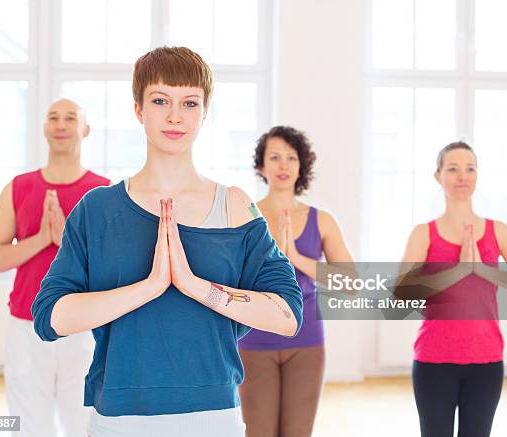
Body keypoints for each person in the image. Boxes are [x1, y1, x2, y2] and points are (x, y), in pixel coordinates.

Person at [31, 47, 304, 437]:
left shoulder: (235, 207)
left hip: (214, 417)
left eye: (189, 103)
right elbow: (49, 316)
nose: (176, 116)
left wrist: (195, 287)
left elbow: (287, 314)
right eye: (161, 101)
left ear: (204, 112)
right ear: (139, 110)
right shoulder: (97, 210)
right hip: (119, 419)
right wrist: (149, 287)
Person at [0, 98, 110, 437]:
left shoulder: (102, 192)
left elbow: (113, 271)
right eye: (53, 117)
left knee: (82, 423)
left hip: (83, 327)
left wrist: (66, 236)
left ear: (85, 129)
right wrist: (40, 239)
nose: (61, 124)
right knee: (27, 425)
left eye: (71, 118)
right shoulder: (19, 188)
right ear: (44, 128)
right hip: (26, 326)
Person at [396, 141, 507, 437]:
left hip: (486, 362)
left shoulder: (497, 231)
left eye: (469, 168)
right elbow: (401, 295)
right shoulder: (423, 234)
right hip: (434, 362)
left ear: (477, 176)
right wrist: (458, 270)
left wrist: (484, 270)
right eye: (453, 168)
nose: (462, 176)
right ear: (438, 177)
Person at [238, 126, 354, 437]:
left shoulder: (322, 220)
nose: (283, 165)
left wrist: (295, 257)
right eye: (274, 157)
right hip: (253, 341)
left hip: (307, 343)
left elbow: (349, 280)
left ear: (302, 166)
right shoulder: (243, 216)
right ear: (261, 165)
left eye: (291, 157)